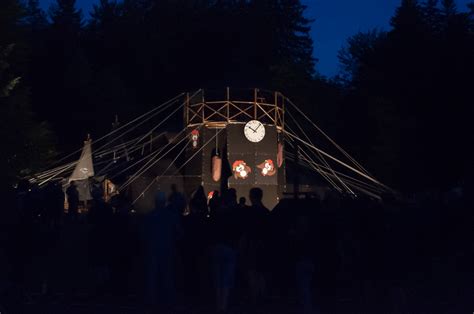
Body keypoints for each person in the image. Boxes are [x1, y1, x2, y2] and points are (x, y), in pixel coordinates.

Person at [145, 191, 181, 311]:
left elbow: (144, 234)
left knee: (153, 276)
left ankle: (152, 300)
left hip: (153, 249)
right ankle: (169, 300)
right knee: (167, 276)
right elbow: (178, 232)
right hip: (167, 249)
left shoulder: (150, 216)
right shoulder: (170, 215)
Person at [211, 188, 241, 313]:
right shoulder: (235, 214)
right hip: (230, 247)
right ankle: (224, 305)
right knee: (227, 278)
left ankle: (219, 305)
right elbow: (238, 232)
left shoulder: (218, 214)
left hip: (218, 247)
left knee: (219, 278)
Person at [240, 187, 270, 308]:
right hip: (262, 246)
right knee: (260, 273)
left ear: (251, 197)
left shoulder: (249, 213)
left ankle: (255, 298)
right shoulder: (266, 212)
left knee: (252, 272)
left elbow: (245, 231)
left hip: (252, 245)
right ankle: (261, 297)